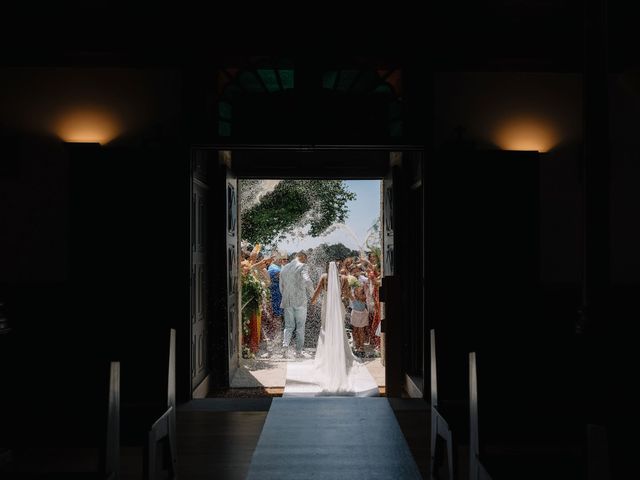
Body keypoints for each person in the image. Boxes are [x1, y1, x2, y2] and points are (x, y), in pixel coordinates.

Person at [310, 261, 359, 394]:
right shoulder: (343, 278)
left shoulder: (324, 277)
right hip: (338, 307)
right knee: (340, 328)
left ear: (327, 268)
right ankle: (340, 353)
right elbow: (347, 293)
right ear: (338, 269)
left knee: (325, 329)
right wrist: (355, 300)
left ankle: (327, 354)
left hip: (327, 306)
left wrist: (312, 301)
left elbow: (317, 291)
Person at [279, 251, 314, 358]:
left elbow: (281, 286)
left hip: (287, 300)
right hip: (300, 301)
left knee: (288, 326)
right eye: (305, 259)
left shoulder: (284, 268)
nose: (306, 261)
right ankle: (298, 352)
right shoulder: (303, 266)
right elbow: (307, 280)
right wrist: (313, 295)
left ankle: (285, 348)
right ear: (302, 258)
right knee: (300, 327)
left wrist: (285, 296)